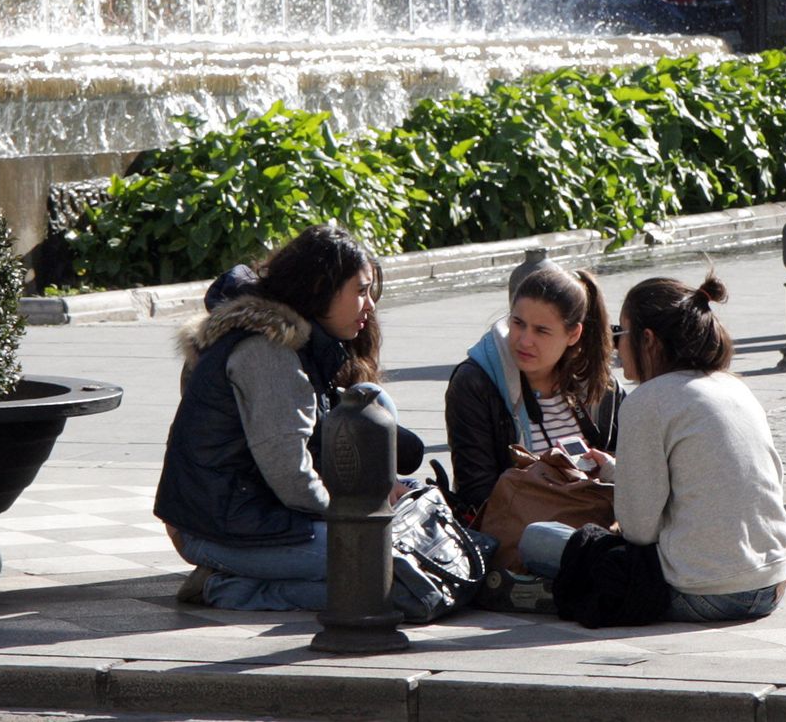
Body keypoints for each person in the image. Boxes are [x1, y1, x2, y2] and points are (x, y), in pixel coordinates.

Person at [515, 274, 786, 628]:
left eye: (622, 333)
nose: (616, 346)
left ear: (647, 340)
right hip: (773, 583)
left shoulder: (647, 401)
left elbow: (638, 532)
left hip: (704, 593)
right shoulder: (734, 387)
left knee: (538, 538)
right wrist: (619, 470)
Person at [154, 224, 404, 610]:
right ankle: (227, 587)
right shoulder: (269, 354)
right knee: (377, 573)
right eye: (360, 291)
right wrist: (354, 521)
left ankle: (249, 575)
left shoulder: (300, 343)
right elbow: (291, 474)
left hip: (255, 515)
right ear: (320, 287)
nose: (370, 306)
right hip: (215, 529)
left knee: (389, 563)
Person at [444, 265, 624, 517]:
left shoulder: (599, 384)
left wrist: (608, 469)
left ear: (573, 334)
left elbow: (634, 471)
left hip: (598, 528)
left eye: (541, 330)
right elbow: (477, 493)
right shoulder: (475, 383)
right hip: (518, 540)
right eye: (518, 323)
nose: (524, 340)